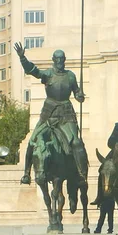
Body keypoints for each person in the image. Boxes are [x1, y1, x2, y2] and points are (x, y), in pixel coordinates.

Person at [14, 42, 88, 186]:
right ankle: (26, 174)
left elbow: (76, 91)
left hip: (66, 114)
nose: (60, 62)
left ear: (64, 60)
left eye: (62, 60)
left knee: (76, 143)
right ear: (54, 60)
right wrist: (23, 58)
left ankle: (81, 175)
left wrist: (80, 95)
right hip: (49, 113)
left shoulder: (70, 76)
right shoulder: (48, 74)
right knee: (32, 140)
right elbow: (33, 71)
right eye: (57, 60)